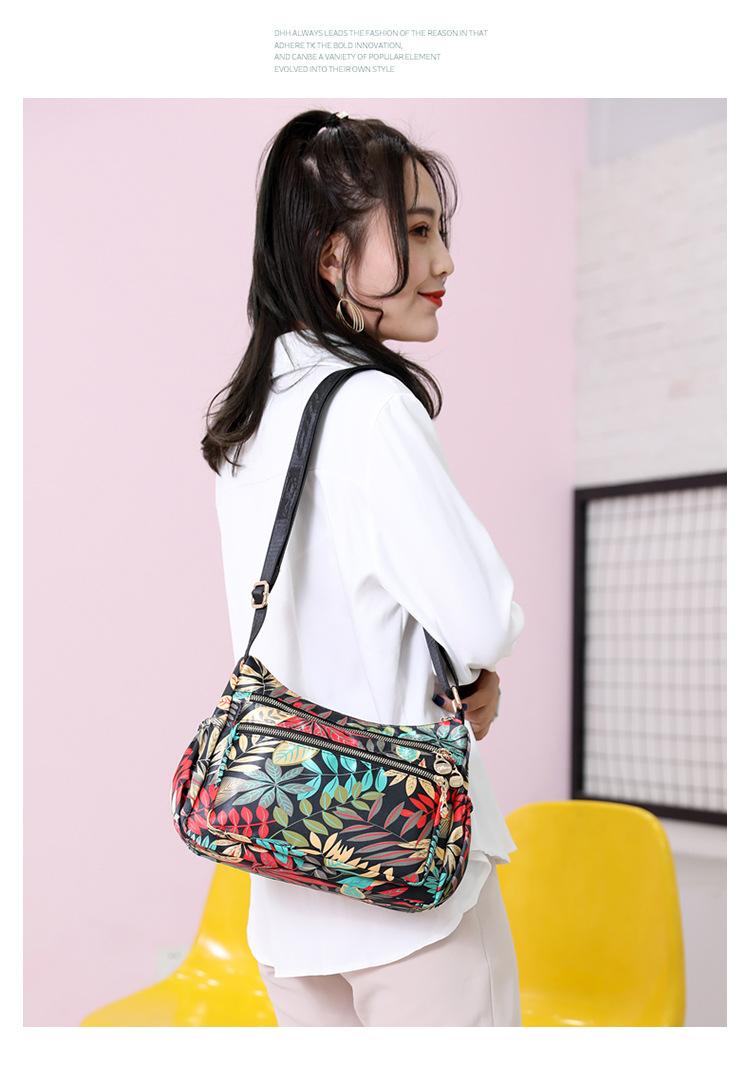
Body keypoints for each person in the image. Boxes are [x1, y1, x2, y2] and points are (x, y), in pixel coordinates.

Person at [200, 109, 525, 1026]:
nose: (444, 261)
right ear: (332, 255)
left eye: (440, 230)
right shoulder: (372, 404)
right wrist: (476, 669)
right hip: (409, 878)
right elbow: (482, 618)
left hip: (288, 881)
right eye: (416, 230)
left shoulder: (248, 419)